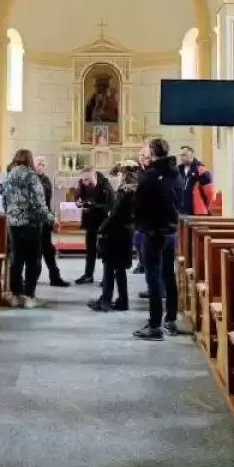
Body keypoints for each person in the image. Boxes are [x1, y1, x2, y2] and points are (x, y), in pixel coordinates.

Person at [132, 137, 180, 341]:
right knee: (169, 275)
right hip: (171, 230)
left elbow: (139, 204)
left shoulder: (151, 174)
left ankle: (154, 326)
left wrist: (140, 224)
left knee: (153, 278)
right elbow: (179, 199)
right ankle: (171, 320)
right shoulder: (176, 172)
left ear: (151, 153)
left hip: (153, 231)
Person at [1, 148, 53, 308]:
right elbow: (38, 203)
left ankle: (16, 296)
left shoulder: (8, 176)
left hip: (14, 224)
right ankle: (29, 296)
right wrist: (50, 218)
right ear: (29, 160)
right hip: (31, 224)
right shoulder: (32, 177)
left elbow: (4, 200)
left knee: (16, 260)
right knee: (32, 261)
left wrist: (11, 215)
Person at [88, 160, 139, 312]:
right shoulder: (135, 191)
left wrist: (102, 228)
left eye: (120, 174)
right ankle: (123, 301)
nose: (118, 177)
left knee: (109, 268)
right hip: (125, 232)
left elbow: (115, 214)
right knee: (120, 270)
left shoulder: (126, 192)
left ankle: (105, 301)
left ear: (125, 175)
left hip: (117, 234)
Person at [73, 166, 114, 285]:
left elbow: (110, 206)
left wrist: (93, 205)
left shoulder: (106, 186)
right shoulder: (83, 183)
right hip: (90, 220)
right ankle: (88, 275)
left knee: (106, 250)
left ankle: (108, 277)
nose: (86, 182)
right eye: (84, 180)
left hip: (103, 222)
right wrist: (78, 201)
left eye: (88, 179)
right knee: (90, 249)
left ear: (95, 175)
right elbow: (78, 195)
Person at [35, 156, 69, 287]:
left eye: (43, 165)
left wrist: (51, 218)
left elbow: (47, 202)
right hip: (35, 221)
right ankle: (34, 278)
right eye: (38, 164)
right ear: (33, 165)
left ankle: (54, 277)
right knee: (38, 251)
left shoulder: (46, 180)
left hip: (45, 220)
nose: (40, 167)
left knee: (48, 250)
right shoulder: (31, 179)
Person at [177, 146, 216, 217]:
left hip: (198, 211)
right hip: (181, 211)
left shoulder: (201, 171)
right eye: (180, 155)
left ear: (191, 155)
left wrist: (205, 206)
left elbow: (210, 193)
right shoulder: (178, 171)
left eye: (184, 155)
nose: (181, 158)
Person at [132, 144, 152, 276]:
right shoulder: (136, 171)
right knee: (137, 239)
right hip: (138, 210)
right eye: (140, 155)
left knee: (145, 239)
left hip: (150, 210)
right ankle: (141, 261)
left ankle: (145, 263)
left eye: (145, 156)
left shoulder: (152, 171)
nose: (142, 158)